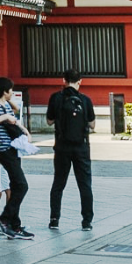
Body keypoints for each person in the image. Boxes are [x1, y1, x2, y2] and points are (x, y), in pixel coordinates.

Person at [44, 71, 95, 230]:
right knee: (85, 184)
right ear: (80, 81)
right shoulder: (85, 100)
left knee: (58, 183)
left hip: (61, 147)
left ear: (64, 80)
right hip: (81, 148)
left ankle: (54, 219)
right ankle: (86, 221)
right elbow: (92, 125)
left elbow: (49, 121)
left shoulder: (56, 98)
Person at [0, 78, 32, 239]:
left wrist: (24, 130)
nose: (12, 92)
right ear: (4, 91)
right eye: (10, 89)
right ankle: (4, 219)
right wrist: (4, 117)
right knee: (22, 185)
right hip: (5, 151)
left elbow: (14, 120)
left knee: (16, 187)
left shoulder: (6, 106)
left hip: (13, 149)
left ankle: (14, 225)